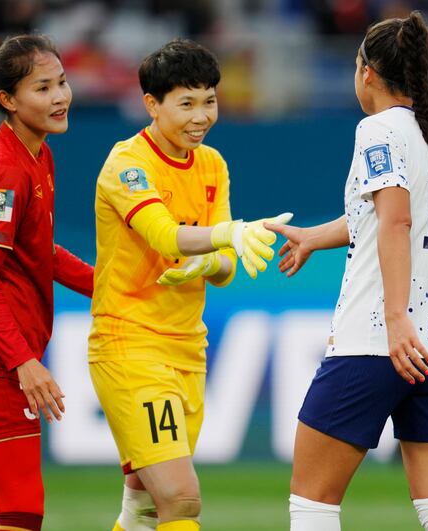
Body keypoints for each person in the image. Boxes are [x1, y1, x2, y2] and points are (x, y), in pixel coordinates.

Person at [267, 11, 428, 531]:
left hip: (378, 340)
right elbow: (385, 217)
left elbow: (396, 219)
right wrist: (316, 236)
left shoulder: (377, 128)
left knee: (313, 502)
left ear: (366, 74)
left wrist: (396, 315)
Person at [87, 38, 291, 531]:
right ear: (152, 105)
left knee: (142, 508)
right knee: (180, 501)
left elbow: (223, 267)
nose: (201, 116)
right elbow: (161, 233)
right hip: (130, 344)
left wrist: (211, 262)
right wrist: (229, 234)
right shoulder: (127, 165)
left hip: (187, 350)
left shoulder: (212, 165)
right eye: (186, 103)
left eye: (210, 101)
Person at [0, 35, 94, 531]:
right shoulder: (5, 171)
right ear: (8, 99)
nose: (60, 97)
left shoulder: (35, 154)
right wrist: (23, 362)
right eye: (43, 87)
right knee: (21, 511)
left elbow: (38, 253)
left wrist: (111, 287)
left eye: (62, 82)